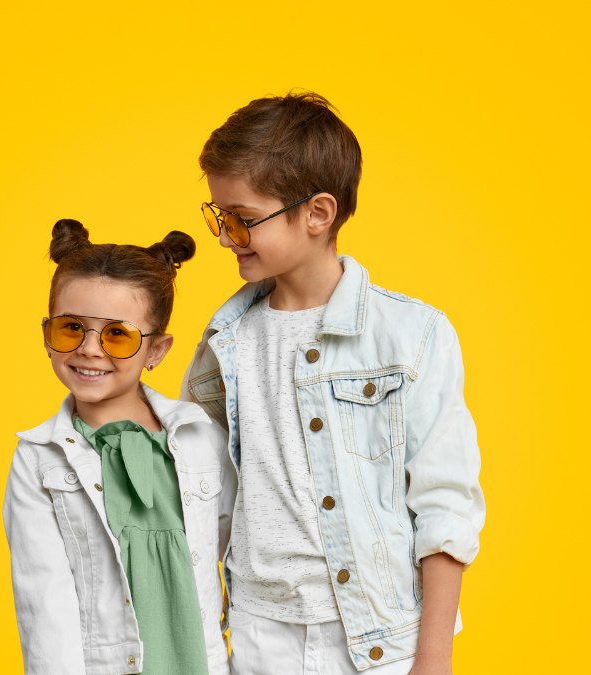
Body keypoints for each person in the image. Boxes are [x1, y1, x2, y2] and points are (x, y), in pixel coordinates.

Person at [182, 92, 485, 675]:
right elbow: (200, 491)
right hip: (256, 631)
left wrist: (434, 658)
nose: (224, 236)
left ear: (318, 214)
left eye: (242, 219)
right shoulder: (225, 340)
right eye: (218, 216)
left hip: (381, 639)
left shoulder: (412, 334)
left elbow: (446, 501)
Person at [4, 219, 235, 675]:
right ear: (46, 335)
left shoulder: (202, 439)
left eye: (117, 335)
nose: (90, 349)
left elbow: (240, 561)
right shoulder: (39, 459)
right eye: (72, 328)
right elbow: (44, 607)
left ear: (157, 350)